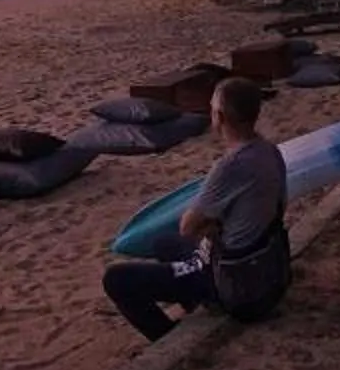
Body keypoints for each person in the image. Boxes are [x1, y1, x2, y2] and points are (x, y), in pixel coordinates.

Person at [102, 76, 290, 340]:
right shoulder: (269, 150)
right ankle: (194, 299)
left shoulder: (230, 167)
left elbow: (188, 227)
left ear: (219, 117)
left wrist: (212, 227)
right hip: (268, 269)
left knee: (117, 280)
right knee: (163, 244)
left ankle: (168, 339)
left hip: (236, 285)